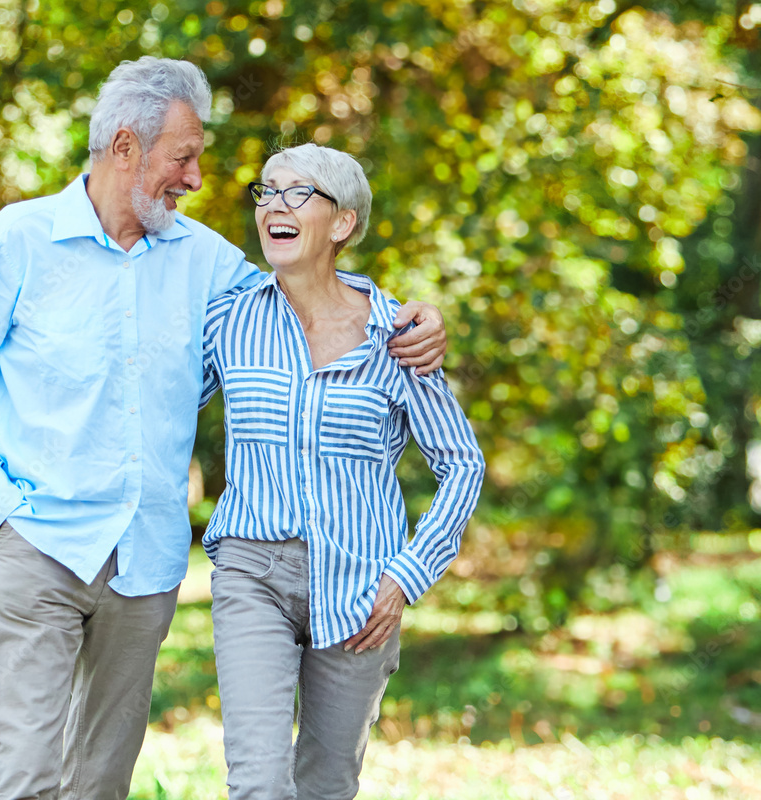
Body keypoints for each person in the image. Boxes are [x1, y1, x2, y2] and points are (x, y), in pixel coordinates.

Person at [0, 58, 448, 800]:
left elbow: (311, 293)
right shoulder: (18, 242)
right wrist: (4, 511)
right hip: (40, 546)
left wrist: (412, 315)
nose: (198, 179)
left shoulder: (209, 263)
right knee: (28, 777)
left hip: (145, 562)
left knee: (99, 782)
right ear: (126, 148)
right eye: (185, 157)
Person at [200, 143, 486, 800]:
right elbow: (157, 399)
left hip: (363, 590)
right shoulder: (230, 317)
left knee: (328, 784)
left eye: (298, 193)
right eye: (267, 191)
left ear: (342, 223)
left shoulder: (397, 334)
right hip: (253, 574)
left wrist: (404, 577)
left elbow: (461, 464)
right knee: (259, 782)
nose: (275, 204)